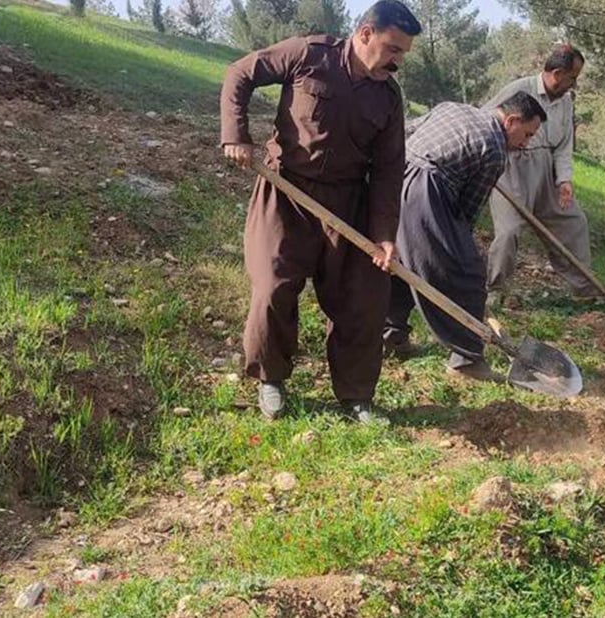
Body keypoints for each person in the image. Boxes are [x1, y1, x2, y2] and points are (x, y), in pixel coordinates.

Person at [219, 0, 422, 422]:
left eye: (403, 52)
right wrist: (236, 135)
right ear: (365, 34)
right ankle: (270, 379)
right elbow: (240, 73)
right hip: (285, 192)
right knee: (273, 287)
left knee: (365, 298)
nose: (398, 61)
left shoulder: (388, 95)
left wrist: (384, 233)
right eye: (393, 49)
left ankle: (356, 396)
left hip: (349, 204)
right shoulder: (309, 54)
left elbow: (388, 168)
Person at [383, 92, 547, 380]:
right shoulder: (495, 149)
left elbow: (405, 128)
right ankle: (467, 360)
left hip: (392, 179)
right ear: (511, 121)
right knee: (468, 273)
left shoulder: (451, 108)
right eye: (527, 134)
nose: (525, 144)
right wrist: (460, 251)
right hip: (424, 191)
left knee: (405, 263)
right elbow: (467, 209)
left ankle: (390, 335)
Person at [484, 44, 597, 306]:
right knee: (509, 229)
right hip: (511, 166)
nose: (574, 84)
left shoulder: (566, 102)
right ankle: (496, 289)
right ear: (557, 73)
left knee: (573, 221)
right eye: (572, 77)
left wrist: (564, 179)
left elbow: (565, 144)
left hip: (546, 169)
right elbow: (487, 118)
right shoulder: (519, 89)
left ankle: (585, 288)